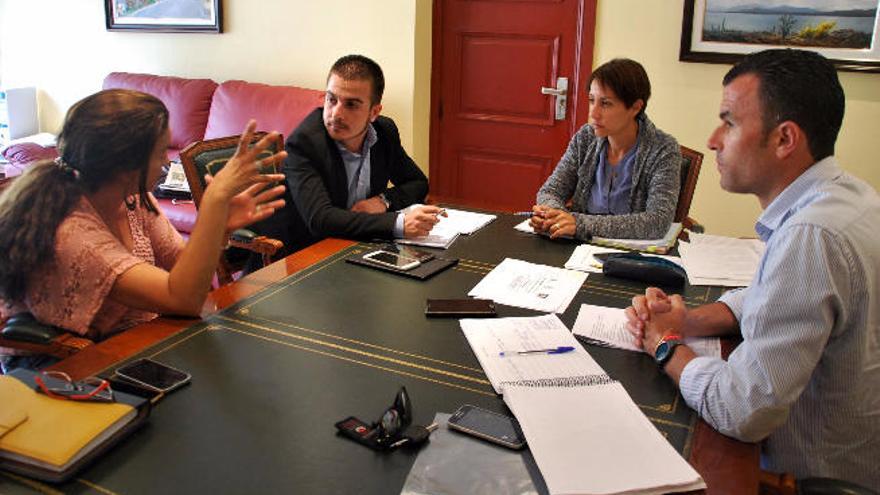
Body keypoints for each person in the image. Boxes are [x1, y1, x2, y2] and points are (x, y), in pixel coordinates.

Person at [625, 49, 879, 488]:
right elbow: (778, 291)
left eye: (730, 122)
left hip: (805, 477)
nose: (712, 140)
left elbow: (741, 410)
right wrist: (690, 319)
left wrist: (664, 343)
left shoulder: (811, 236)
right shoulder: (848, 196)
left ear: (785, 139)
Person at [0, 89, 287, 372]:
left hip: (130, 340)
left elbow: (182, 265)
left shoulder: (133, 198)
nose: (166, 162)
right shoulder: (72, 234)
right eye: (161, 151)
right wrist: (212, 204)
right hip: (62, 366)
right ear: (127, 166)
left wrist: (219, 226)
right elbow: (184, 299)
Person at [261, 54, 442, 257]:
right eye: (331, 99)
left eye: (351, 104)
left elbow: (417, 182)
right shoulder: (304, 143)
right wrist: (398, 223)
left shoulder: (384, 132)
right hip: (298, 258)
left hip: (358, 248)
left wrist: (383, 201)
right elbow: (321, 219)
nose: (336, 113)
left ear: (374, 112)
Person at [530, 58, 681, 241]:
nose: (593, 113)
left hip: (631, 257)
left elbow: (657, 222)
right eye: (592, 101)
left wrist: (577, 223)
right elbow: (550, 191)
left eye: (606, 103)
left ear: (635, 107)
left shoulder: (663, 150)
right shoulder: (586, 138)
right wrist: (557, 219)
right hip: (579, 248)